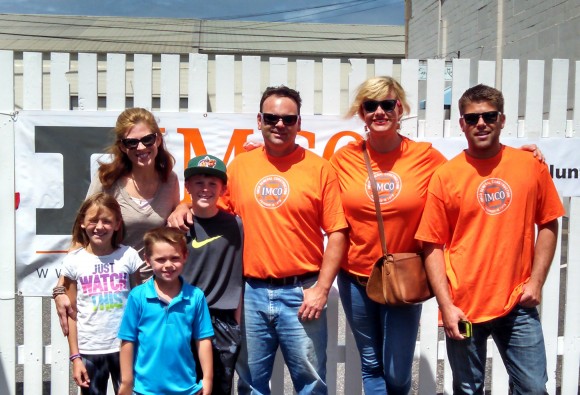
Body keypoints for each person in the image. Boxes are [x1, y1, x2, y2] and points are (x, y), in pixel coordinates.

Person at [168, 85, 348, 395]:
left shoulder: (320, 169)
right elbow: (212, 205)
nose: (280, 125)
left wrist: (320, 289)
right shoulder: (240, 166)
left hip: (301, 292)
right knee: (250, 384)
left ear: (299, 123)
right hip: (250, 293)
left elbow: (338, 232)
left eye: (288, 119)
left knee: (312, 384)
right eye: (272, 117)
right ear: (259, 120)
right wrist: (184, 204)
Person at [415, 84, 564, 394]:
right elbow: (431, 244)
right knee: (468, 389)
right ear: (462, 124)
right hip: (464, 305)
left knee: (533, 388)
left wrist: (536, 283)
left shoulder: (529, 166)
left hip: (517, 303)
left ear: (502, 120)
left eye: (488, 116)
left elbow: (549, 223)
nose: (480, 123)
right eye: (472, 118)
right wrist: (446, 305)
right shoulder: (446, 176)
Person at [329, 76, 447, 394]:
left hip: (404, 277)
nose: (379, 111)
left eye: (387, 104)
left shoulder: (425, 157)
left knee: (396, 371)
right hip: (355, 279)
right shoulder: (343, 159)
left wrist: (516, 154)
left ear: (400, 109)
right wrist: (264, 149)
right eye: (371, 105)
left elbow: (465, 180)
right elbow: (309, 180)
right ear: (362, 113)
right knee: (370, 365)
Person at [54, 107, 180, 335]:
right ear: (123, 146)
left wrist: (183, 206)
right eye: (132, 143)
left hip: (153, 291)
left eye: (147, 139)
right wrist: (61, 288)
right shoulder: (108, 180)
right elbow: (83, 233)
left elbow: (172, 226)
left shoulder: (169, 180)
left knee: (145, 367)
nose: (141, 147)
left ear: (158, 140)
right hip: (111, 291)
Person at [61, 192, 142, 395]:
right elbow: (71, 313)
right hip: (90, 350)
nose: (99, 227)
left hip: (125, 346)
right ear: (82, 223)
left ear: (117, 224)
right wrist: (75, 357)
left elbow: (139, 304)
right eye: (93, 220)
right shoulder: (74, 261)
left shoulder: (129, 256)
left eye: (107, 221)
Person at [118, 227, 214, 395]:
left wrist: (207, 378)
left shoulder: (195, 296)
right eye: (160, 259)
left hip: (186, 389)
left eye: (174, 258)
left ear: (185, 256)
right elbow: (127, 340)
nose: (168, 265)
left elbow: (203, 340)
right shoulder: (138, 296)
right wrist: (126, 382)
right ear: (147, 260)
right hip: (145, 390)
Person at [181, 154, 244, 395]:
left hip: (222, 321)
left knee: (218, 388)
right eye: (198, 183)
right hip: (183, 316)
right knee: (183, 385)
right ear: (187, 186)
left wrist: (236, 322)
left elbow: (240, 274)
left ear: (223, 189)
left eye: (212, 184)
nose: (205, 189)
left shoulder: (236, 225)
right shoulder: (178, 225)